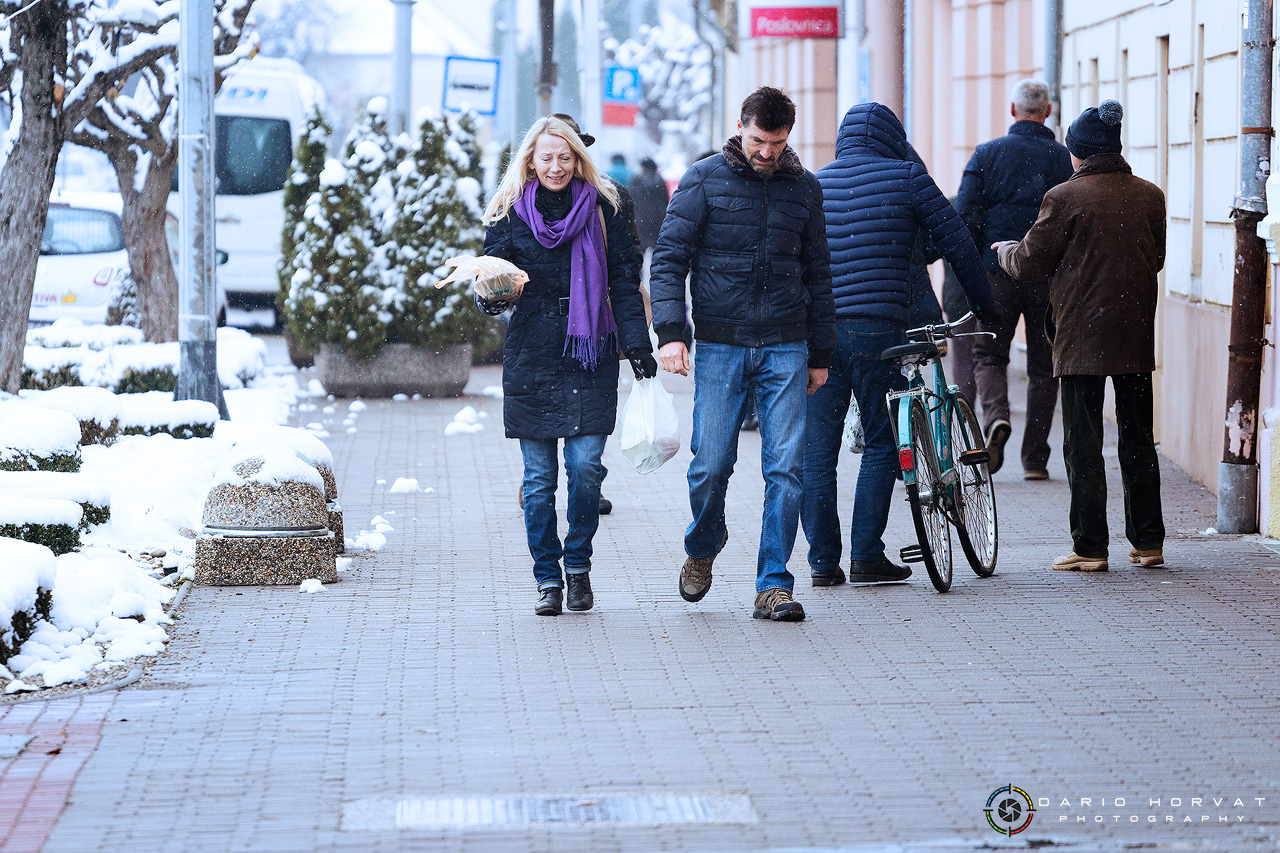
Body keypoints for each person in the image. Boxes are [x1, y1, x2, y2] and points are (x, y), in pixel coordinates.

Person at [649, 86, 836, 622]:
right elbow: (669, 260)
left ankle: (773, 583)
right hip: (720, 343)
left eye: (776, 143)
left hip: (786, 343)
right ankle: (703, 545)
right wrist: (671, 333)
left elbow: (819, 276)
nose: (766, 152)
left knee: (787, 469)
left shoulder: (805, 189)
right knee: (710, 464)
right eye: (757, 140)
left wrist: (820, 351)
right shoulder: (704, 179)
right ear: (739, 126)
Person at [804, 102, 998, 587]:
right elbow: (957, 245)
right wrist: (986, 306)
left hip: (819, 335)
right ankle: (867, 555)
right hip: (881, 330)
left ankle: (823, 562)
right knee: (883, 443)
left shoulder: (815, 184)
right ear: (894, 137)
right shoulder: (908, 176)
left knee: (816, 452)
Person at [478, 116, 657, 615]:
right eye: (546, 157)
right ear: (530, 161)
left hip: (591, 350)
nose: (556, 167)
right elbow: (492, 275)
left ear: (578, 158)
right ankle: (547, 580)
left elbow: (624, 280)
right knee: (538, 481)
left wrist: (638, 346)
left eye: (565, 156)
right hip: (533, 350)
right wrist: (492, 296)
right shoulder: (509, 210)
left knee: (584, 470)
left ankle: (578, 568)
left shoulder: (607, 205)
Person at [992, 99, 1166, 572]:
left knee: (1082, 442)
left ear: (1079, 153)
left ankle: (1090, 547)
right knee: (1137, 437)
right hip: (1133, 332)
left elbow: (1029, 264)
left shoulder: (1064, 197)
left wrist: (1006, 251)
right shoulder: (1150, 195)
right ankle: (1149, 542)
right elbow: (1157, 259)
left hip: (1082, 335)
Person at [956, 79, 1074, 479]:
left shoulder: (987, 155)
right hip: (1047, 275)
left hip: (996, 272)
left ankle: (995, 420)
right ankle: (1035, 460)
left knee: (988, 355)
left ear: (1012, 110)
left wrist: (975, 263)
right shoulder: (1062, 160)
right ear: (1048, 111)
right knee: (1044, 366)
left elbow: (966, 214)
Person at [628, 157, 670, 258]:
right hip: (657, 219)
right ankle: (657, 271)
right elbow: (665, 199)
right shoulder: (659, 180)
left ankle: (639, 272)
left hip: (641, 218)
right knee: (658, 249)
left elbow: (631, 198)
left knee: (639, 249)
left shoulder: (636, 179)